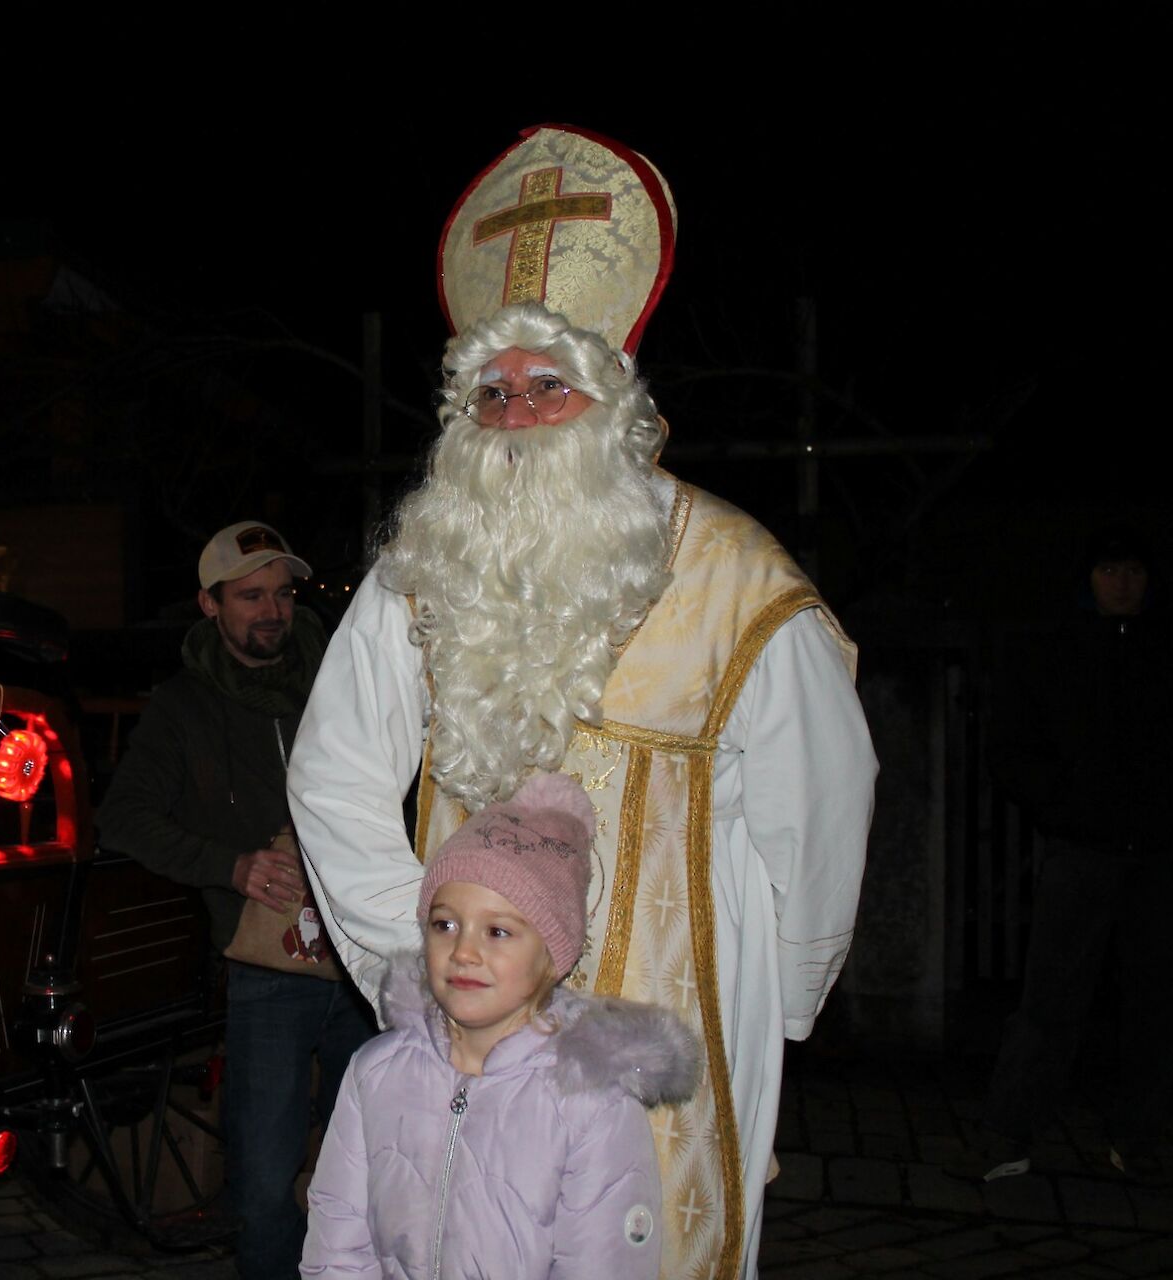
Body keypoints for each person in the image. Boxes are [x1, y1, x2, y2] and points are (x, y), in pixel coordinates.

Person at [287, 125, 877, 1280]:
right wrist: (410, 949)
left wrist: (783, 1001)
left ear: (612, 399)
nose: (514, 417)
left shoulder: (738, 580)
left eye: (546, 387)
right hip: (471, 1025)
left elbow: (821, 803)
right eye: (490, 393)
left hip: (669, 1020)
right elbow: (334, 768)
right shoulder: (426, 567)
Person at [96, 521, 376, 1280]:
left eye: (282, 593)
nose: (272, 611)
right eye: (250, 596)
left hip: (365, 954)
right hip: (266, 968)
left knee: (371, 1158)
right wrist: (231, 865)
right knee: (263, 1177)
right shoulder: (183, 706)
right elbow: (124, 817)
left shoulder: (342, 682)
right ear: (210, 604)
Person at [301, 773, 698, 1279]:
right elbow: (337, 1243)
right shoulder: (375, 1074)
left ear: (553, 956)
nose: (464, 951)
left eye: (498, 931)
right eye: (445, 924)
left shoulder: (590, 1104)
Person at [949, 531, 1173, 1183]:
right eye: (1109, 570)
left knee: (1158, 1004)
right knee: (1049, 999)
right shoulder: (1051, 651)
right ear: (1088, 578)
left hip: (1162, 854)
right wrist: (1064, 805)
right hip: (1080, 851)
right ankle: (1009, 1132)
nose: (1122, 583)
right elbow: (1011, 746)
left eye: (1133, 571)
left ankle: (1136, 1137)